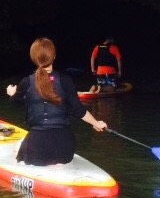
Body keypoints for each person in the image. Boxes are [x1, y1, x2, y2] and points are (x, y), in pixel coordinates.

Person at [6, 37, 107, 166]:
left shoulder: (26, 82)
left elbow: (15, 103)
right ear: (54, 56)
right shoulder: (65, 80)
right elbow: (79, 111)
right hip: (64, 148)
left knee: (17, 148)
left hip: (38, 147)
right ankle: (57, 165)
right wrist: (96, 123)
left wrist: (12, 94)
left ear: (33, 58)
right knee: (56, 156)